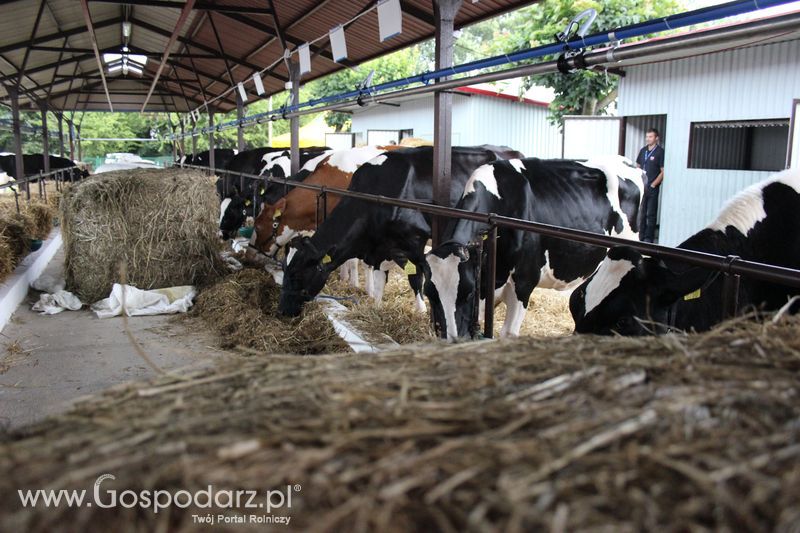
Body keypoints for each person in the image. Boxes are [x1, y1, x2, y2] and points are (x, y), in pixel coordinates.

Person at [636, 128, 665, 243]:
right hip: (642, 187)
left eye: (650, 137)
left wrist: (653, 184)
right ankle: (640, 235)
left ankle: (649, 238)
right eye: (647, 136)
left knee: (650, 214)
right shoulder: (643, 150)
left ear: (656, 138)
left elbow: (663, 171)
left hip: (652, 188)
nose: (648, 139)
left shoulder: (660, 152)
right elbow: (637, 166)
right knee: (641, 213)